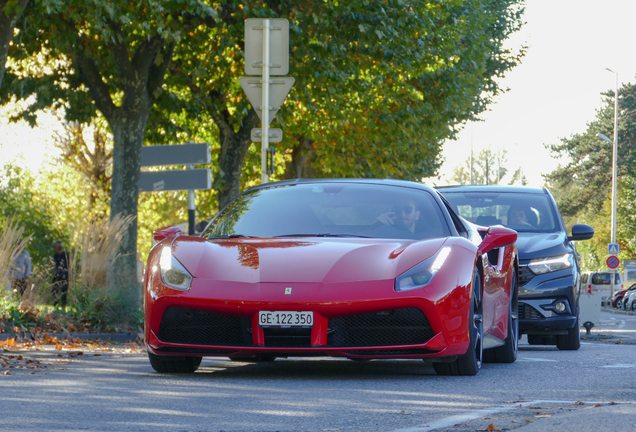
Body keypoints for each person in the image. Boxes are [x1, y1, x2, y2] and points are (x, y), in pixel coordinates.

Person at [52, 240, 70, 307]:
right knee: (54, 289)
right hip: (57, 274)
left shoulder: (66, 254)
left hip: (65, 274)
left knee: (64, 290)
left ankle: (63, 305)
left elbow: (69, 263)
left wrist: (69, 272)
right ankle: (55, 303)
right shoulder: (55, 255)